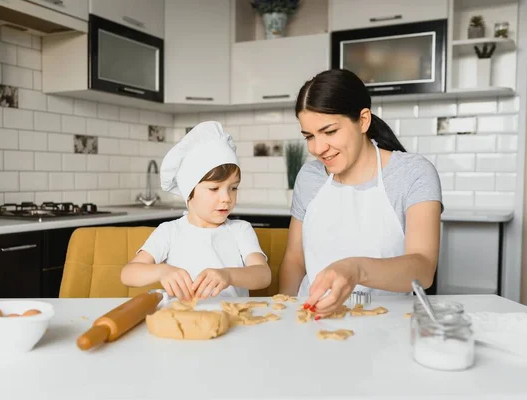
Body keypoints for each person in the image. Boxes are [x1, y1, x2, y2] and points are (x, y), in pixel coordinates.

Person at [278, 69, 443, 318]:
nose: (318, 148)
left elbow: (423, 268)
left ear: (363, 120)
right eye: (309, 136)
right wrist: (284, 314)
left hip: (388, 322)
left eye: (330, 131)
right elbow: (295, 258)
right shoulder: (309, 177)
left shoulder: (412, 173)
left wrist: (356, 269)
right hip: (313, 322)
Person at [120, 121, 271, 301]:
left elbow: (263, 275)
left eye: (233, 188)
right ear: (189, 192)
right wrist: (161, 271)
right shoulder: (169, 232)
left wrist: (228, 275)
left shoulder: (240, 230)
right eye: (214, 189)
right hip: (183, 319)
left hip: (233, 318)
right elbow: (127, 274)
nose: (226, 198)